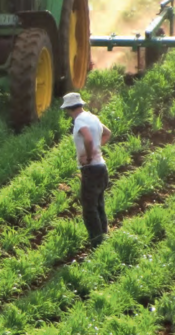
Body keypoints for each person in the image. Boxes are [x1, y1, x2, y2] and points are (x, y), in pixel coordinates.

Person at [61, 92, 112, 248]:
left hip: (91, 169)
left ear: (68, 109)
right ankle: (104, 236)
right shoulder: (92, 117)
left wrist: (89, 157)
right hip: (102, 167)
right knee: (99, 204)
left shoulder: (79, 121)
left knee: (89, 208)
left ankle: (97, 243)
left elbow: (88, 139)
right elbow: (108, 133)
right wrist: (97, 148)